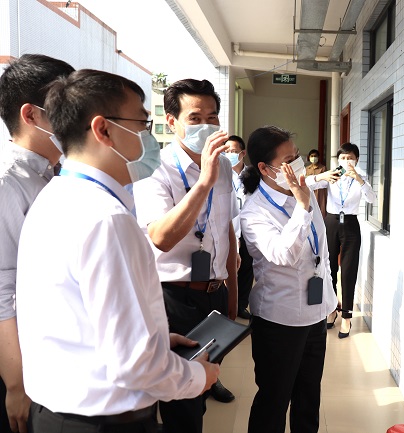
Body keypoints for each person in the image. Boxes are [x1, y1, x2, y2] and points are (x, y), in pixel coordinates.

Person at [15, 69, 219, 433]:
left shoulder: (55, 196)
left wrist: (157, 340)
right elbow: (137, 364)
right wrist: (197, 376)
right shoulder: (107, 218)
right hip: (104, 422)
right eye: (142, 123)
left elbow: (84, 318)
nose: (148, 136)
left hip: (58, 413)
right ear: (103, 130)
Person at [132, 78, 238, 433]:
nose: (206, 126)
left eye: (212, 117)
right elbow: (161, 237)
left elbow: (225, 230)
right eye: (195, 118)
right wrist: (204, 181)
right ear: (172, 121)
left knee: (203, 385)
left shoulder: (224, 166)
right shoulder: (155, 168)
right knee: (181, 405)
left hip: (214, 292)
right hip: (173, 297)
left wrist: (231, 296)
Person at [240, 125, 336, 433]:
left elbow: (321, 251)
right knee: (274, 401)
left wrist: (328, 298)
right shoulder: (254, 212)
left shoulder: (302, 192)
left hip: (315, 314)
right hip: (279, 320)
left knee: (308, 399)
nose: (298, 164)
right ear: (264, 169)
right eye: (288, 160)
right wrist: (303, 207)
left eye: (297, 156)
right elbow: (284, 254)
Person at [0, 54, 74, 433]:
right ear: (30, 115)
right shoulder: (8, 183)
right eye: (63, 109)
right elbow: (3, 289)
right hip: (20, 365)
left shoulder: (54, 174)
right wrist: (16, 384)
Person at [306, 142, 377, 338]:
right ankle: (331, 310)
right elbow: (306, 183)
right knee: (328, 268)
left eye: (350, 158)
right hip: (331, 222)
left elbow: (372, 199)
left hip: (351, 225)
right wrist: (321, 176)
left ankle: (346, 316)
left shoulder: (362, 178)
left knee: (348, 271)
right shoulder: (332, 176)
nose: (346, 161)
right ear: (338, 160)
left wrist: (359, 180)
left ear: (357, 160)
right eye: (343, 158)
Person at [224, 135, 254, 320]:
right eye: (226, 151)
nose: (230, 154)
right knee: (227, 265)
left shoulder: (252, 175)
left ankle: (241, 304)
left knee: (247, 267)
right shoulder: (221, 172)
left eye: (233, 151)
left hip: (248, 227)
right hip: (228, 226)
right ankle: (227, 304)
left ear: (242, 153)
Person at [305, 148, 328, 219]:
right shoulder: (307, 169)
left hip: (320, 192)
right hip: (310, 191)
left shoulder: (323, 168)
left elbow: (325, 180)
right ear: (309, 157)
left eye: (315, 156)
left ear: (318, 157)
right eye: (312, 156)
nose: (313, 158)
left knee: (321, 209)